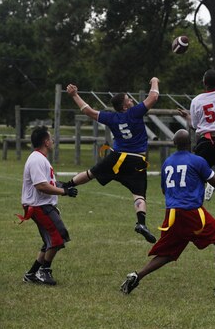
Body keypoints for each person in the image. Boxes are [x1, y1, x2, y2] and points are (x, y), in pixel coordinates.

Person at [121, 129, 215, 298]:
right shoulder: (198, 161)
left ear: (174, 144)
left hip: (172, 213)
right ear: (190, 143)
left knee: (168, 254)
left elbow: (164, 190)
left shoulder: (167, 163)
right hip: (191, 211)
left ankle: (136, 276)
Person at [64, 77, 161, 243]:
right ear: (125, 106)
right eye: (128, 99)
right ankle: (141, 223)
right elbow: (153, 97)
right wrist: (154, 81)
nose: (131, 100)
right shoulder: (135, 112)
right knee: (138, 195)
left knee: (92, 173)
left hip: (117, 156)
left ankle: (66, 185)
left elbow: (88, 111)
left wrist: (74, 95)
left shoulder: (112, 117)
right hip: (137, 159)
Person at [18, 126, 78, 285]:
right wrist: (64, 192)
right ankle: (44, 271)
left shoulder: (39, 158)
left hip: (42, 205)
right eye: (50, 139)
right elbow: (41, 186)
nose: (52, 141)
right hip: (39, 206)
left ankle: (31, 274)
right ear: (45, 142)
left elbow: (48, 182)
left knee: (51, 240)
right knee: (58, 237)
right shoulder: (37, 159)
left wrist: (64, 186)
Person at [178, 69, 215, 201]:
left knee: (196, 178)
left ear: (204, 83)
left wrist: (187, 116)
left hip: (204, 143)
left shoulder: (197, 100)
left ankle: (209, 184)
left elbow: (195, 126)